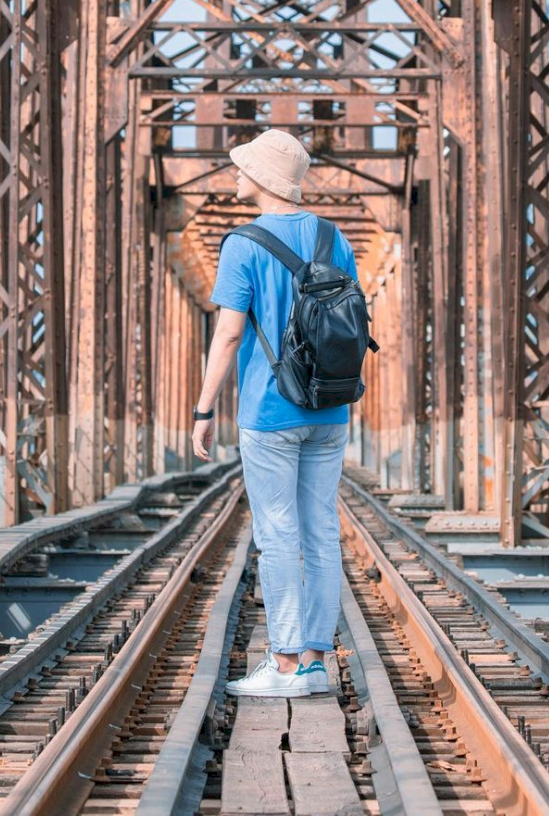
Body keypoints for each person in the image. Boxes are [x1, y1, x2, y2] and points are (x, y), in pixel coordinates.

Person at [192, 128, 358, 698]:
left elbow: (228, 334)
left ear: (263, 178)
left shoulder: (242, 244)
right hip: (330, 408)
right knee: (321, 532)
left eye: (243, 166)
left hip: (270, 411)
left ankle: (284, 664)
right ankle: (314, 661)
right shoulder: (334, 237)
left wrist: (204, 408)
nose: (236, 174)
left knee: (279, 534)